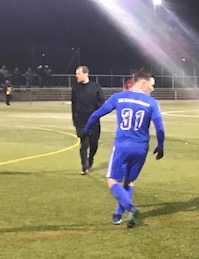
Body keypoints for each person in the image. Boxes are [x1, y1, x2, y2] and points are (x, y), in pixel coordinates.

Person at [81, 69, 165, 228]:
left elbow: (96, 115)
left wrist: (86, 130)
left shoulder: (118, 97)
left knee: (112, 181)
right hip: (141, 148)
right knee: (129, 181)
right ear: (143, 82)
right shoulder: (152, 103)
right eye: (151, 85)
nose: (152, 89)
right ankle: (118, 215)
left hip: (122, 146)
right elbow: (160, 128)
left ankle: (131, 208)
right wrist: (160, 145)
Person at [71, 66, 105, 175]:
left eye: (78, 73)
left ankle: (90, 159)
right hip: (81, 120)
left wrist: (97, 114)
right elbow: (73, 104)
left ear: (86, 74)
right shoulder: (75, 88)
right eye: (76, 74)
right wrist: (74, 119)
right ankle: (84, 166)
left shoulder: (96, 87)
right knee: (84, 143)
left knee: (94, 144)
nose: (76, 76)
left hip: (93, 119)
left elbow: (102, 102)